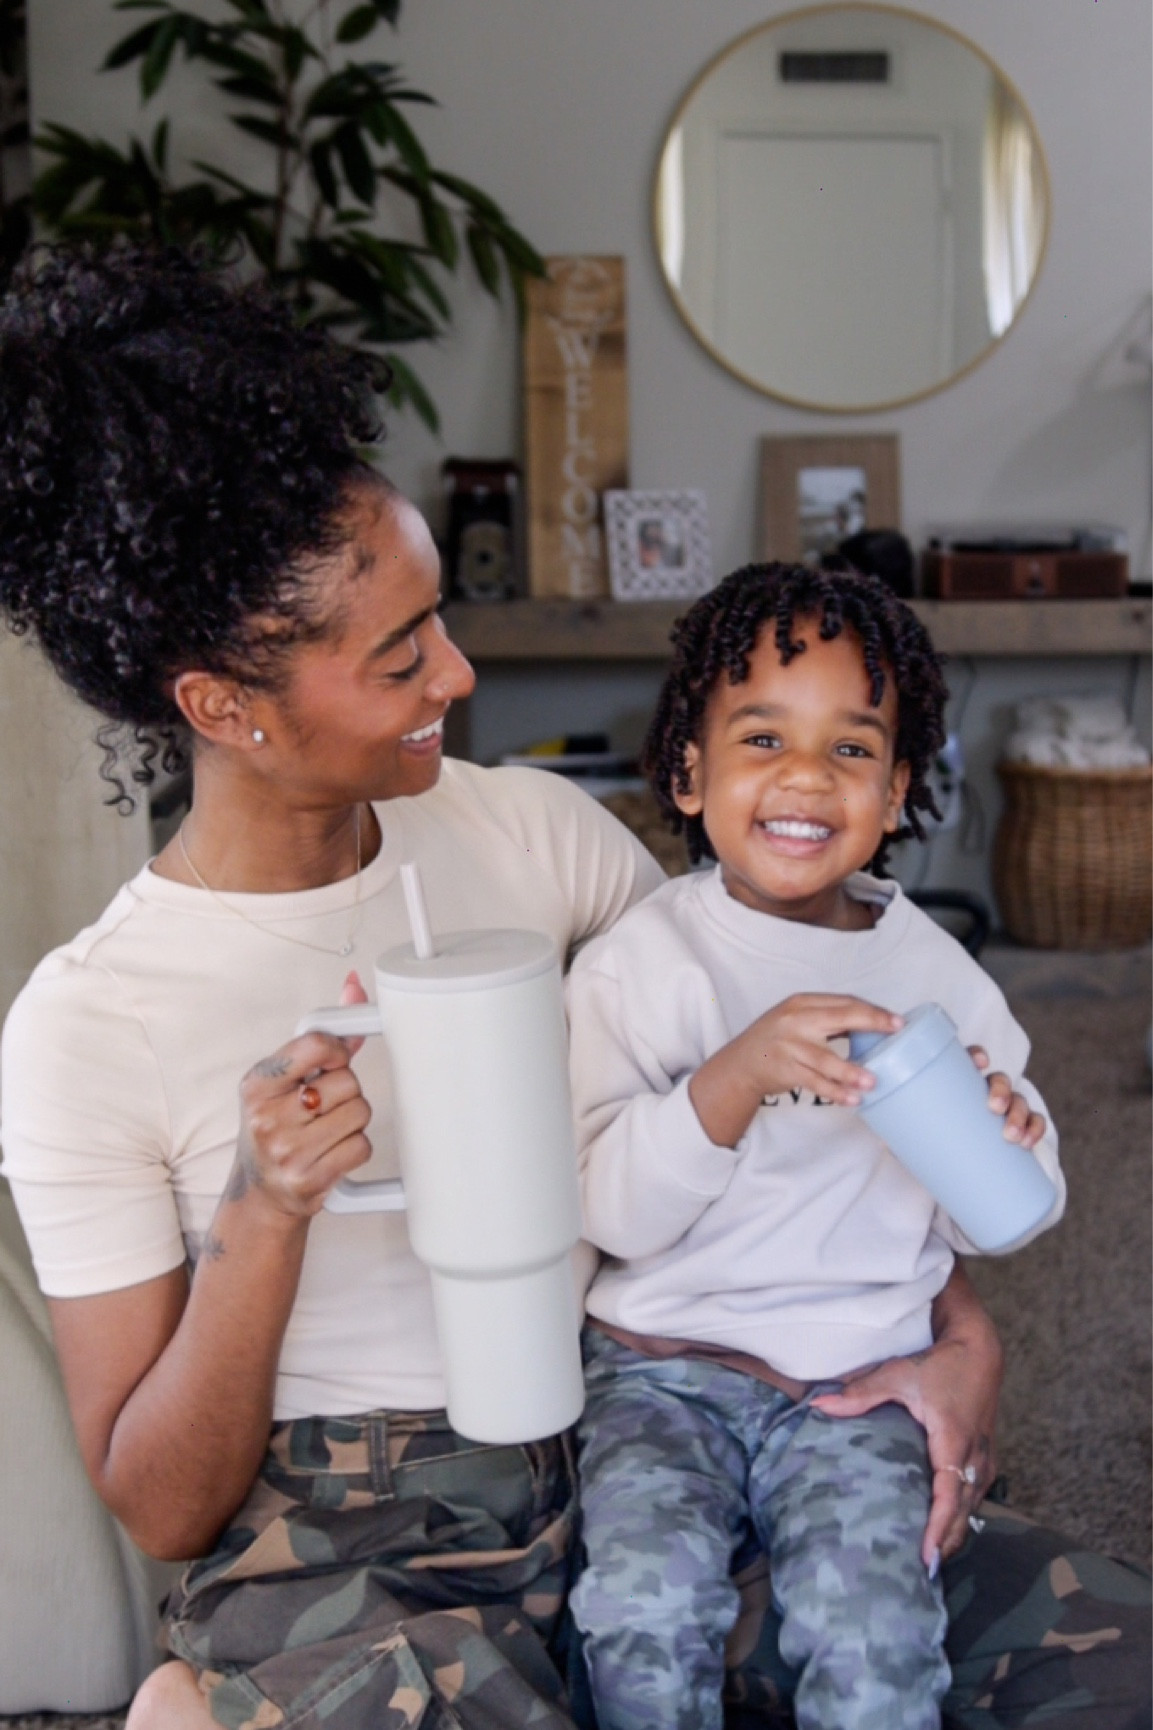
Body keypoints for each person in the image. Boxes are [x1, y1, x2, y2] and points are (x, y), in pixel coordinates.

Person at [0, 246, 1145, 1730]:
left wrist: (959, 1340)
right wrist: (262, 1212)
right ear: (226, 706)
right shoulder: (93, 1019)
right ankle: (216, 1701)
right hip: (371, 1531)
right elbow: (160, 1499)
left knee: (1098, 1657)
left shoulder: (527, 833)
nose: (461, 673)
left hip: (648, 1430)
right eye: (401, 649)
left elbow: (765, 1065)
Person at [562, 565, 1111, 1730]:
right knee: (641, 1613)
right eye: (762, 736)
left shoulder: (931, 975)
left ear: (899, 783)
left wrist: (1018, 1132)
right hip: (664, 1370)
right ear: (688, 770)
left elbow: (999, 1212)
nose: (805, 776)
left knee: (873, 1627)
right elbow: (607, 1209)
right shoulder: (642, 962)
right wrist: (730, 1080)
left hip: (857, 1383)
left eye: (852, 749)